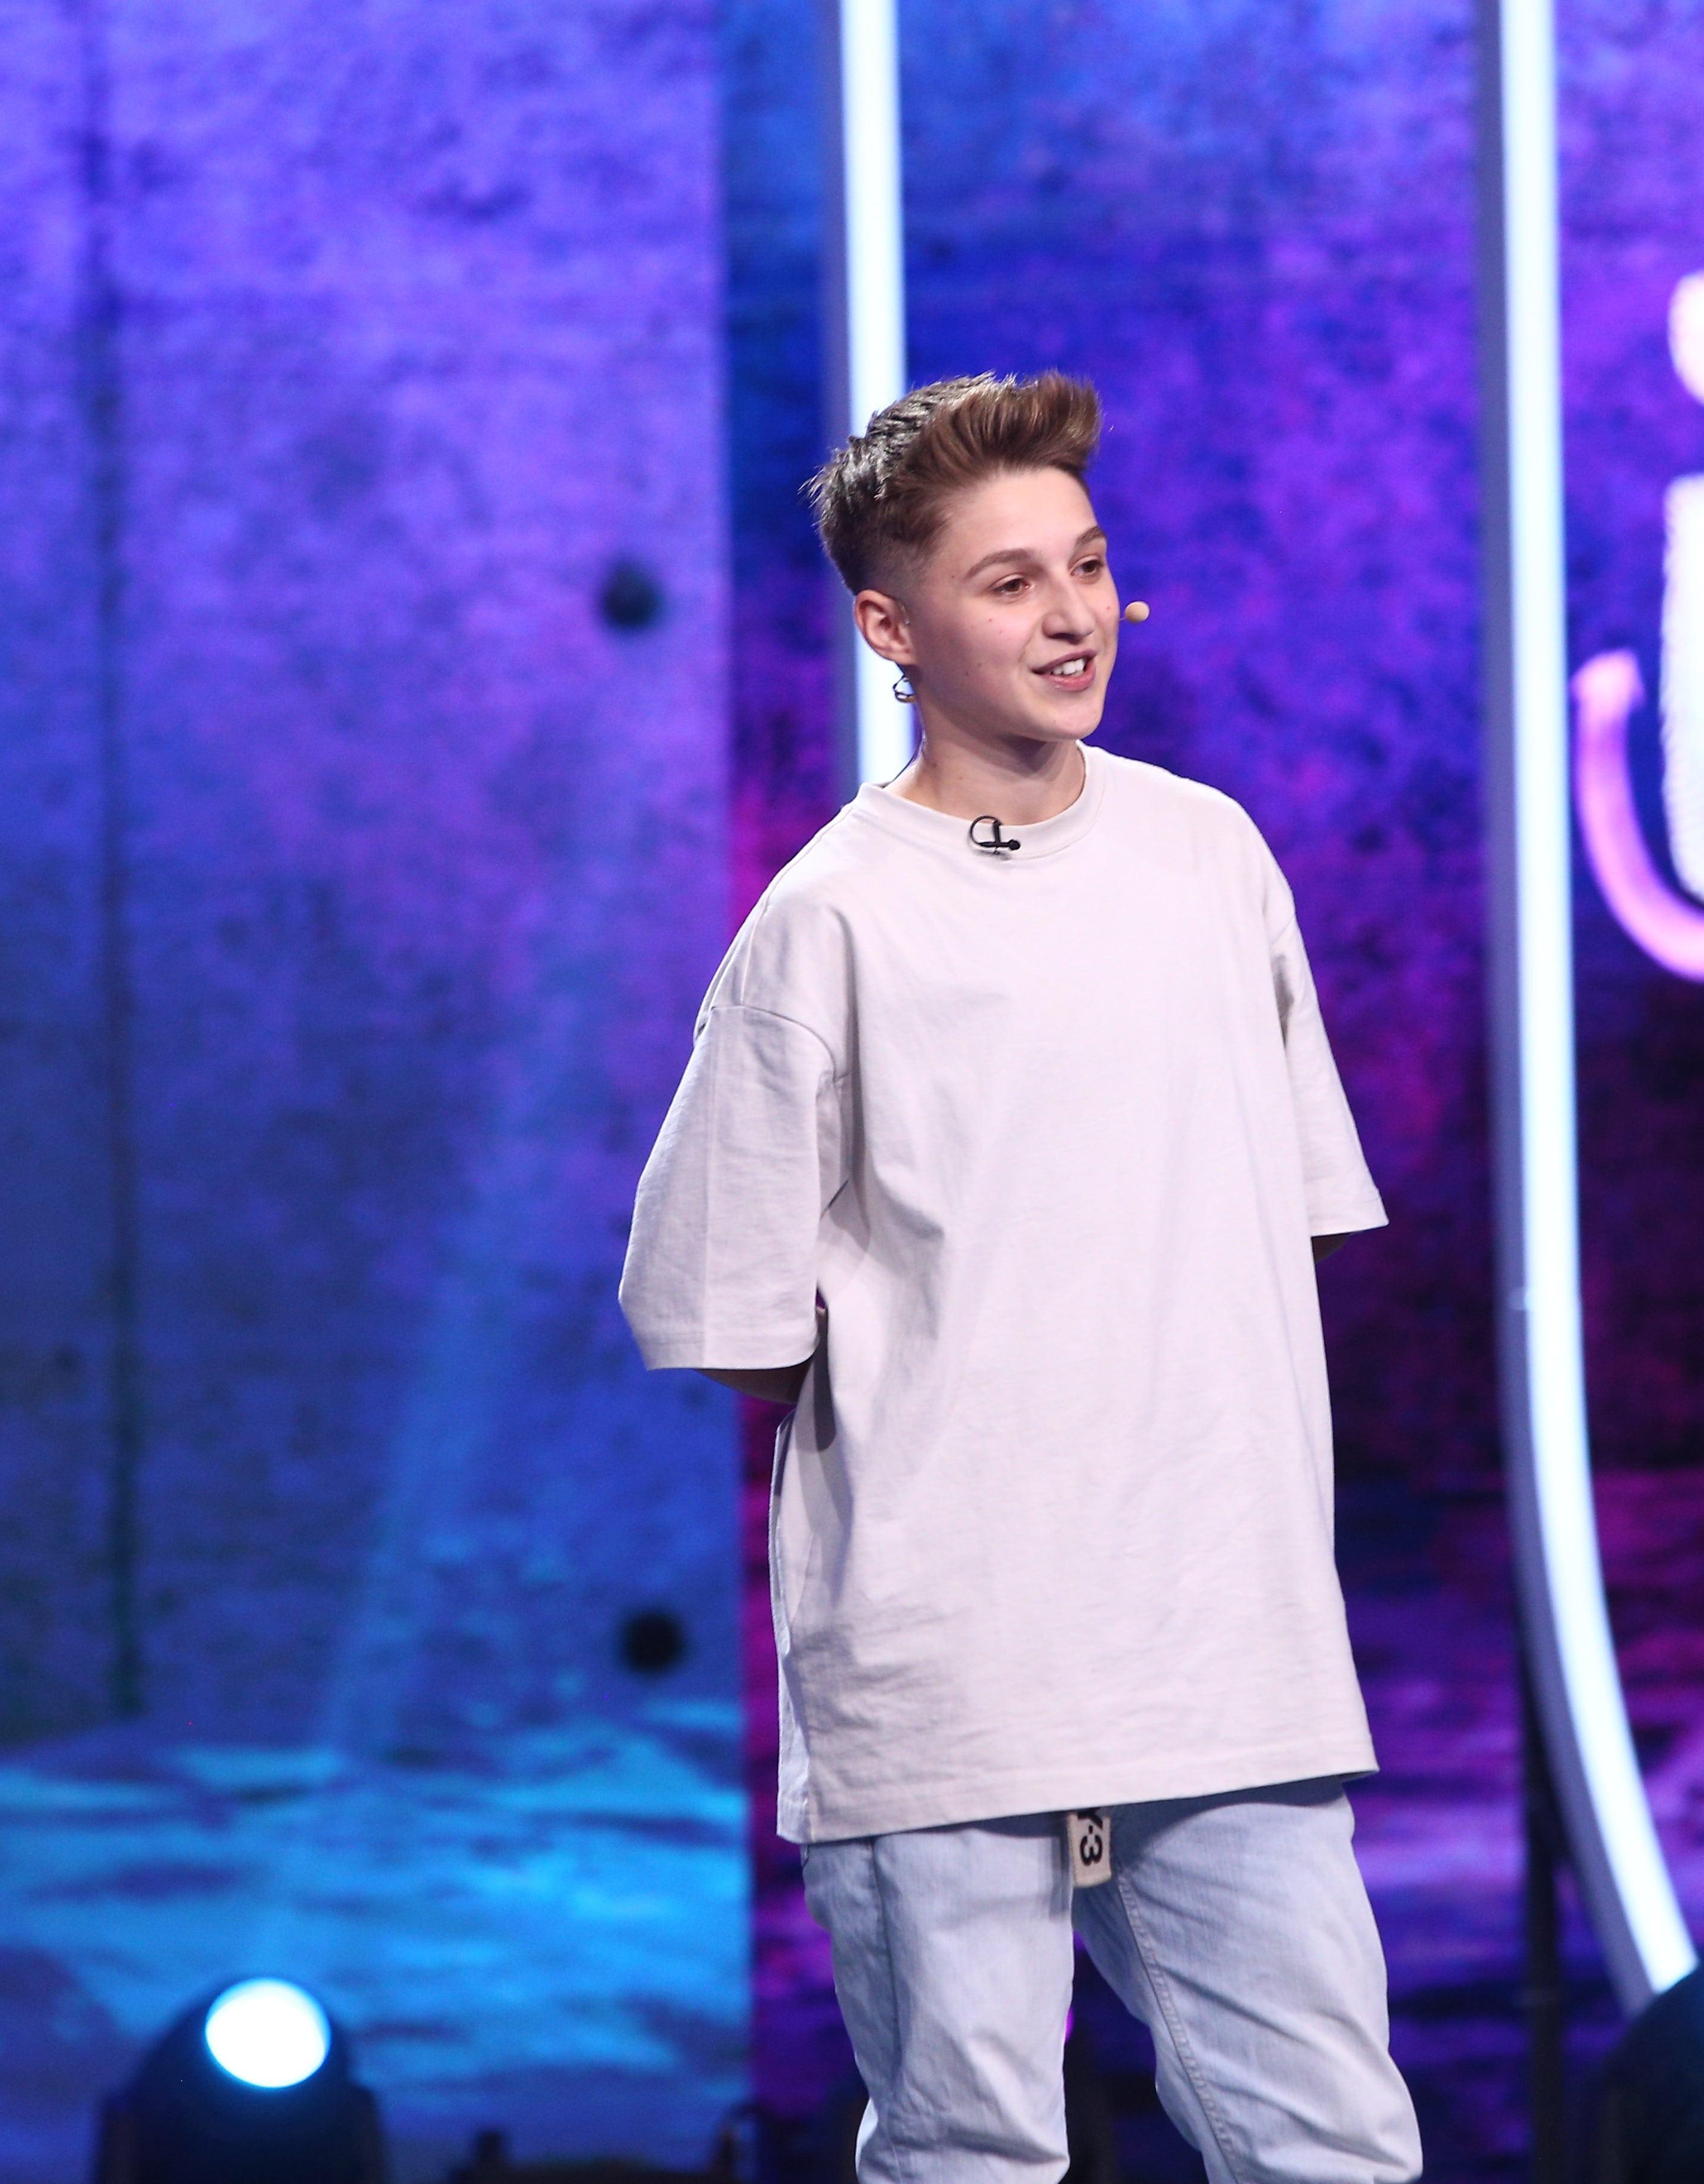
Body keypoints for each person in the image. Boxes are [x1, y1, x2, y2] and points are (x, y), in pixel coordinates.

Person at [620, 371, 1420, 2182]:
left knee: (1335, 2152)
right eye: (1009, 582)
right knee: (973, 2155)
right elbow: (722, 1314)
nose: (1073, 617)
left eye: (1089, 564)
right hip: (950, 1675)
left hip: (1224, 1651)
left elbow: (1277, 1216)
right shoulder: (830, 920)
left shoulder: (1210, 857)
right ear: (890, 628)